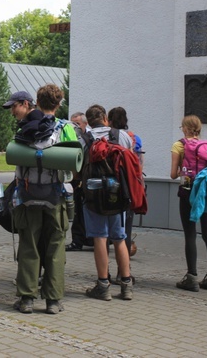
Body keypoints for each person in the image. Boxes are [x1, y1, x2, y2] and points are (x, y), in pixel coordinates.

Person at [11, 85, 77, 315]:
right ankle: (53, 301)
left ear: (36, 102)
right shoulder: (66, 128)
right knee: (55, 248)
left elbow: (17, 164)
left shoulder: (24, 128)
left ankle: (27, 299)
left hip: (28, 197)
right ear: (59, 104)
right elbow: (73, 167)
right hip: (55, 197)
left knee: (29, 246)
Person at [82, 104, 134, 302]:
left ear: (88, 122)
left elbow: (77, 166)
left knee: (100, 238)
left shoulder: (84, 138)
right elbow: (131, 160)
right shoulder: (122, 136)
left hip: (94, 194)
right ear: (105, 118)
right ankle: (126, 285)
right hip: (117, 193)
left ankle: (103, 285)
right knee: (119, 238)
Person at [170, 115, 207, 292]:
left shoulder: (179, 145)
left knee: (190, 234)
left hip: (188, 192)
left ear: (185, 128)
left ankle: (191, 277)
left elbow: (173, 174)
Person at [107, 106, 143, 256]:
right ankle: (125, 268)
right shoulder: (130, 137)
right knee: (125, 228)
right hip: (126, 183)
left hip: (109, 182)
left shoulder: (106, 135)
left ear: (109, 120)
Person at [66, 110, 92, 252]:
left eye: (76, 123)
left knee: (83, 211)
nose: (74, 126)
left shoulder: (86, 137)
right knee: (79, 211)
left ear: (85, 123)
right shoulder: (75, 136)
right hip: (78, 179)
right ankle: (81, 240)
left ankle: (81, 240)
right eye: (72, 123)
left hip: (84, 179)